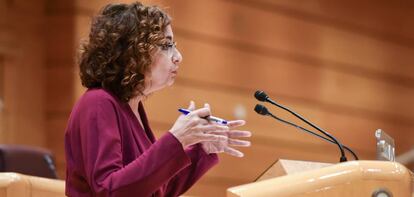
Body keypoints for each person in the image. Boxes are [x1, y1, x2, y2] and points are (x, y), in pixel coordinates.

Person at [64, 2, 251, 197]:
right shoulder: (98, 103)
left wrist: (202, 149)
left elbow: (156, 190)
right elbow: (109, 191)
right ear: (132, 52)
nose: (178, 57)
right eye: (166, 45)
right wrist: (176, 139)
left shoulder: (132, 107)